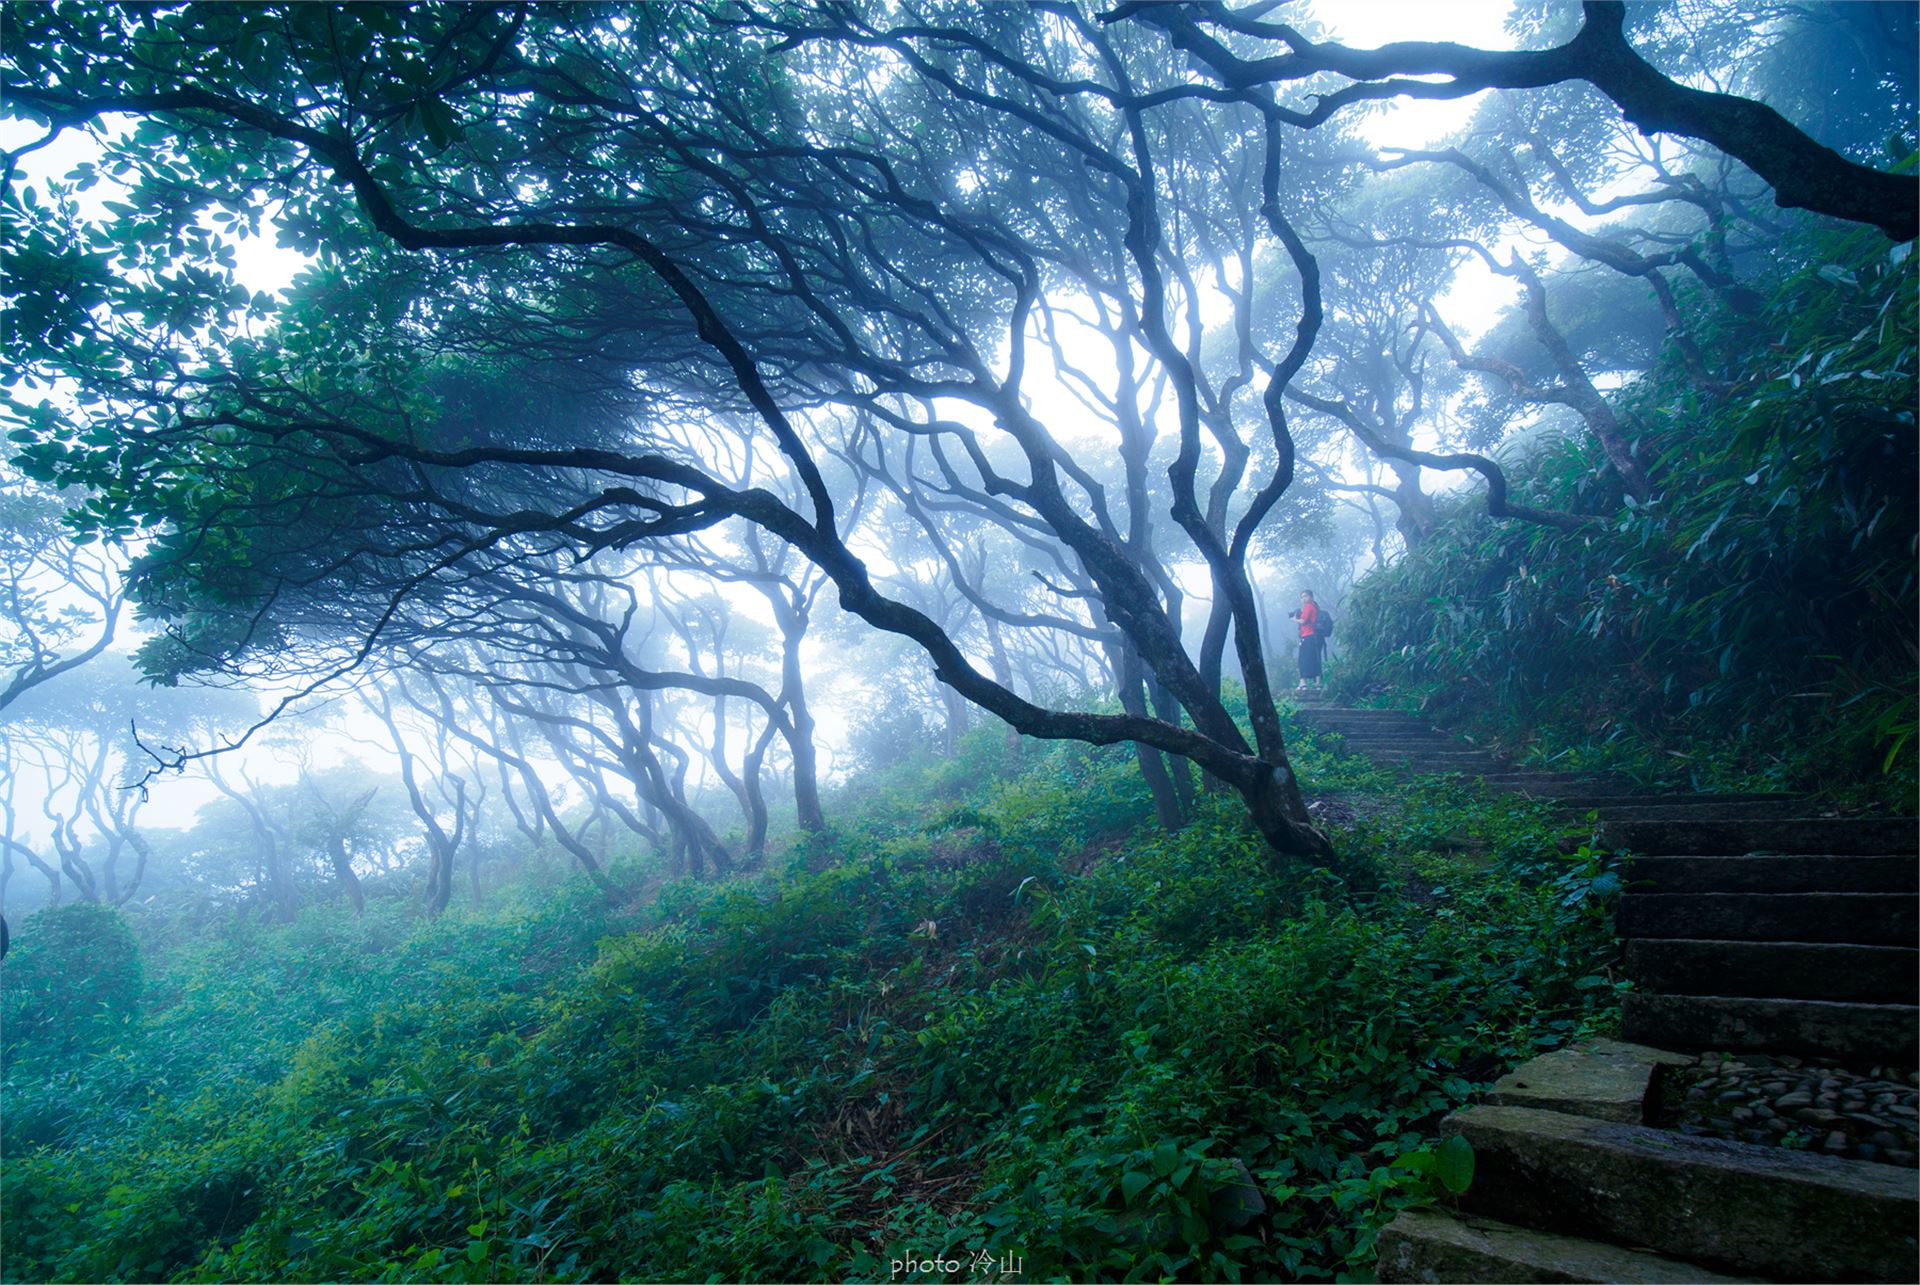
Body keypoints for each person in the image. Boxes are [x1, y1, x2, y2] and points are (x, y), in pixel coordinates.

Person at [1287, 589, 1324, 691]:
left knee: (1303, 660)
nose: (1304, 599)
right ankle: (1317, 683)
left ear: (1311, 597)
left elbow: (1303, 621)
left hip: (1307, 636)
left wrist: (1294, 619)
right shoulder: (1315, 607)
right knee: (1314, 659)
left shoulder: (1308, 607)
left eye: (1306, 596)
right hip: (1314, 637)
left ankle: (1303, 684)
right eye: (1302, 597)